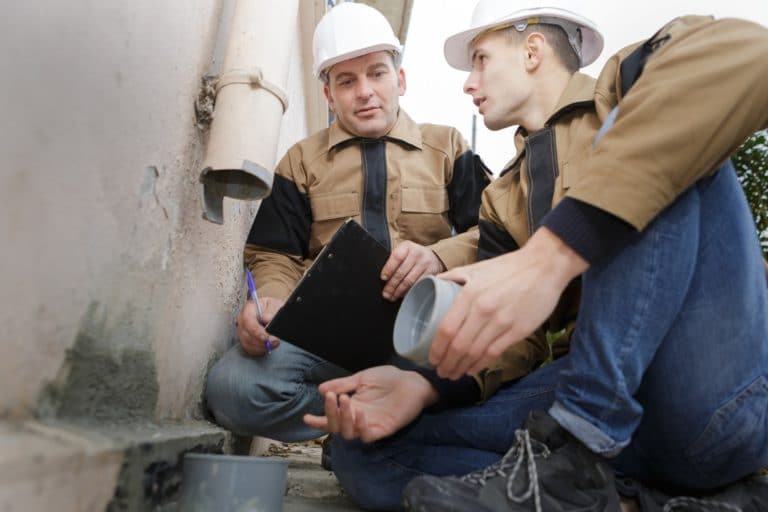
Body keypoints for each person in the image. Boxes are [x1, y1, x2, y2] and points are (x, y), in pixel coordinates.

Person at [306, 1, 768, 511]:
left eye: (480, 59)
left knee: (645, 126)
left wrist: (550, 256)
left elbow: (752, 52)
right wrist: (422, 386)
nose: (468, 83)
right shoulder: (502, 198)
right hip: (602, 421)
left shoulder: (622, 87)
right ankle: (632, 498)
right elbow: (518, 338)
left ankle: (587, 442)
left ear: (531, 50)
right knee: (363, 451)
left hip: (710, 397)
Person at [204, 2, 491, 451]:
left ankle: (394, 416)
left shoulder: (448, 147)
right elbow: (273, 253)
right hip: (327, 344)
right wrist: (272, 302)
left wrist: (438, 256)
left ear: (400, 80)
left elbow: (492, 236)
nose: (364, 92)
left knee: (483, 380)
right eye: (346, 80)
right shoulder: (300, 161)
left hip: (421, 338)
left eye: (377, 73)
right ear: (328, 95)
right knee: (234, 389)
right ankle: (358, 426)